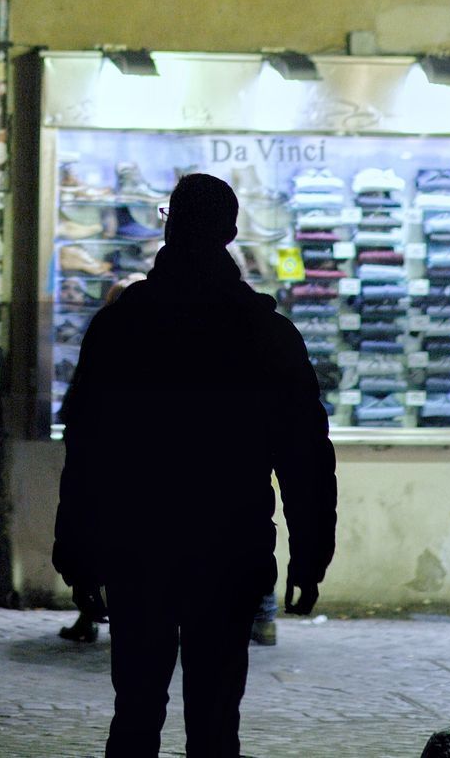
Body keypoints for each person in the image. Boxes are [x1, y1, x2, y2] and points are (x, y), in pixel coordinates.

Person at [53, 173, 337, 757]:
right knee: (214, 720)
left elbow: (86, 447)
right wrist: (312, 551)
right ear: (231, 233)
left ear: (169, 223)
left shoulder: (119, 327)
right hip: (228, 545)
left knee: (134, 712)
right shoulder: (265, 332)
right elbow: (304, 451)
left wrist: (77, 548)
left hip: (138, 543)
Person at [57, 272, 145, 645]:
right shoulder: (158, 344)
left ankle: (89, 610)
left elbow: (78, 400)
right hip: (136, 465)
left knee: (92, 536)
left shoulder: (103, 337)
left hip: (100, 461)